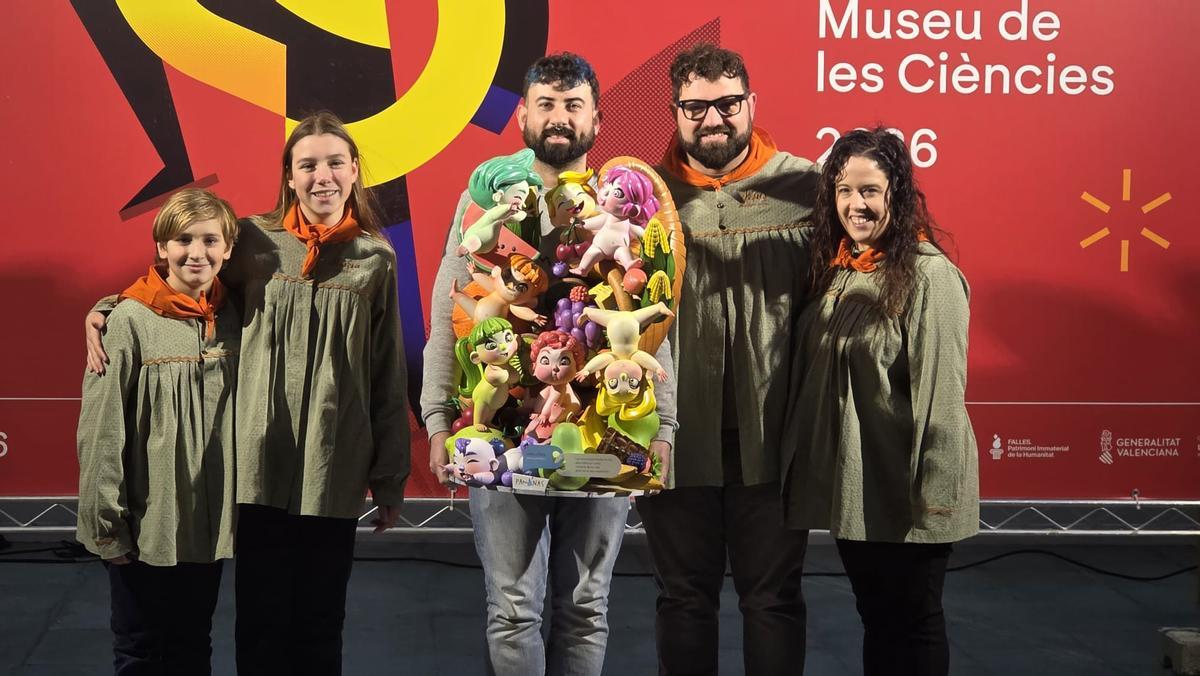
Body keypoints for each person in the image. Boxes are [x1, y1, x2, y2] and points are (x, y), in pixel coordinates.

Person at [84, 112, 410, 675]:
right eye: (308, 165)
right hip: (255, 465)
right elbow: (187, 287)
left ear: (355, 170)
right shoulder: (254, 240)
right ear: (289, 175)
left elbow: (386, 371)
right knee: (259, 620)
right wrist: (109, 308)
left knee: (321, 622)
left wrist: (389, 476)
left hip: (332, 464)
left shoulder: (376, 258)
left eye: (336, 162)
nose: (323, 176)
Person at [420, 52, 677, 676]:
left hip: (607, 431)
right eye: (547, 104)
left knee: (586, 606)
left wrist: (664, 428)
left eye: (573, 105)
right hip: (506, 433)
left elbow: (654, 325)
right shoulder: (483, 207)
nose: (559, 117)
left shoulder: (625, 209)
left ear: (596, 118)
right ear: (522, 116)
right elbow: (449, 318)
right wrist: (437, 421)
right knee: (513, 608)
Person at [635, 43, 818, 676]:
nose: (713, 119)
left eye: (727, 103)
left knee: (773, 600)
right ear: (675, 112)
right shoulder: (642, 199)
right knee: (683, 598)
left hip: (773, 440)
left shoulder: (805, 188)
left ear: (751, 104)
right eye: (695, 107)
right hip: (675, 438)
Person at [782, 127, 978, 676]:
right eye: (844, 190)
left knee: (914, 623)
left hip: (908, 494)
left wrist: (935, 503)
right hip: (860, 494)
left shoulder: (931, 277)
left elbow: (942, 401)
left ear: (898, 193)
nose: (856, 205)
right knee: (878, 619)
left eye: (870, 190)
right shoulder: (838, 271)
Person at [76, 188, 240, 675]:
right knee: (140, 647)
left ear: (229, 249)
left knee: (194, 643)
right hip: (145, 521)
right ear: (161, 247)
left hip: (205, 523)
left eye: (210, 240)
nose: (197, 252)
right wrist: (108, 523)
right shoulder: (128, 320)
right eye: (182, 240)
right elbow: (101, 430)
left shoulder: (236, 316)